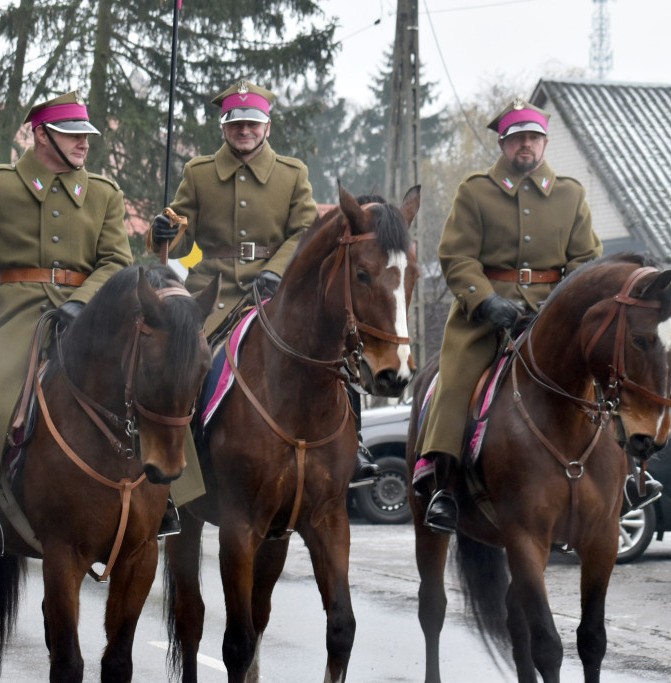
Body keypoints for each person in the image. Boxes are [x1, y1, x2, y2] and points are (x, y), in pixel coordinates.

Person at [0, 90, 133, 556]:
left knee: (153, 381)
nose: (83, 143)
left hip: (89, 314)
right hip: (14, 311)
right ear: (41, 134)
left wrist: (83, 301)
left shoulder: (103, 193)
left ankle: (167, 501)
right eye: (72, 134)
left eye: (85, 135)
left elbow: (118, 259)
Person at [147, 78, 378, 498]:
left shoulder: (292, 174)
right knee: (182, 361)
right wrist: (165, 230)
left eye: (253, 124)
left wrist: (276, 269)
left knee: (334, 353)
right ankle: (178, 465)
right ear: (224, 127)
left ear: (267, 127)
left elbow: (305, 231)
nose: (245, 131)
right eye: (237, 125)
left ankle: (354, 445)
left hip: (277, 291)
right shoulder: (198, 173)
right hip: (214, 292)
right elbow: (178, 233)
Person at [412, 97, 625, 534]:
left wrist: (562, 304)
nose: (524, 146)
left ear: (544, 142)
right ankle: (445, 484)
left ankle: (630, 473)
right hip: (484, 316)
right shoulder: (475, 191)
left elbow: (586, 260)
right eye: (515, 139)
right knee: (455, 381)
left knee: (610, 374)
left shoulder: (570, 194)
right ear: (503, 143)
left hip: (555, 316)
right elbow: (456, 256)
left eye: (532, 137)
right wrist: (485, 300)